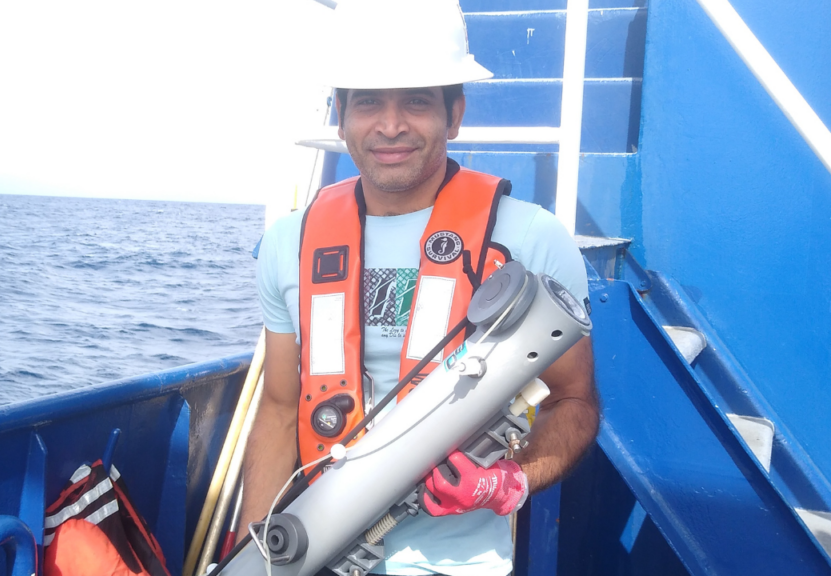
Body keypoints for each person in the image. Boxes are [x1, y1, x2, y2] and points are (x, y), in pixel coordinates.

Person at [241, 0, 600, 574]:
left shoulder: (532, 237)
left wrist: (508, 480)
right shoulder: (290, 243)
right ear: (340, 115)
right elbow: (281, 409)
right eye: (367, 101)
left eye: (416, 100)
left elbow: (574, 402)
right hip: (313, 554)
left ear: (454, 114)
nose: (390, 125)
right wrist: (253, 560)